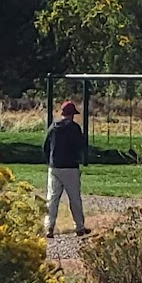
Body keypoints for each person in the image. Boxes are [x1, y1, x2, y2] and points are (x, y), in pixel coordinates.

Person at [44, 99, 89, 237]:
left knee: (52, 198)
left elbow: (45, 146)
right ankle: (79, 227)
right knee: (74, 198)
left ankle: (49, 227)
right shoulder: (74, 128)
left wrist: (50, 161)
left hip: (54, 167)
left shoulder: (53, 127)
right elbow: (81, 145)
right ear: (72, 115)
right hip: (70, 167)